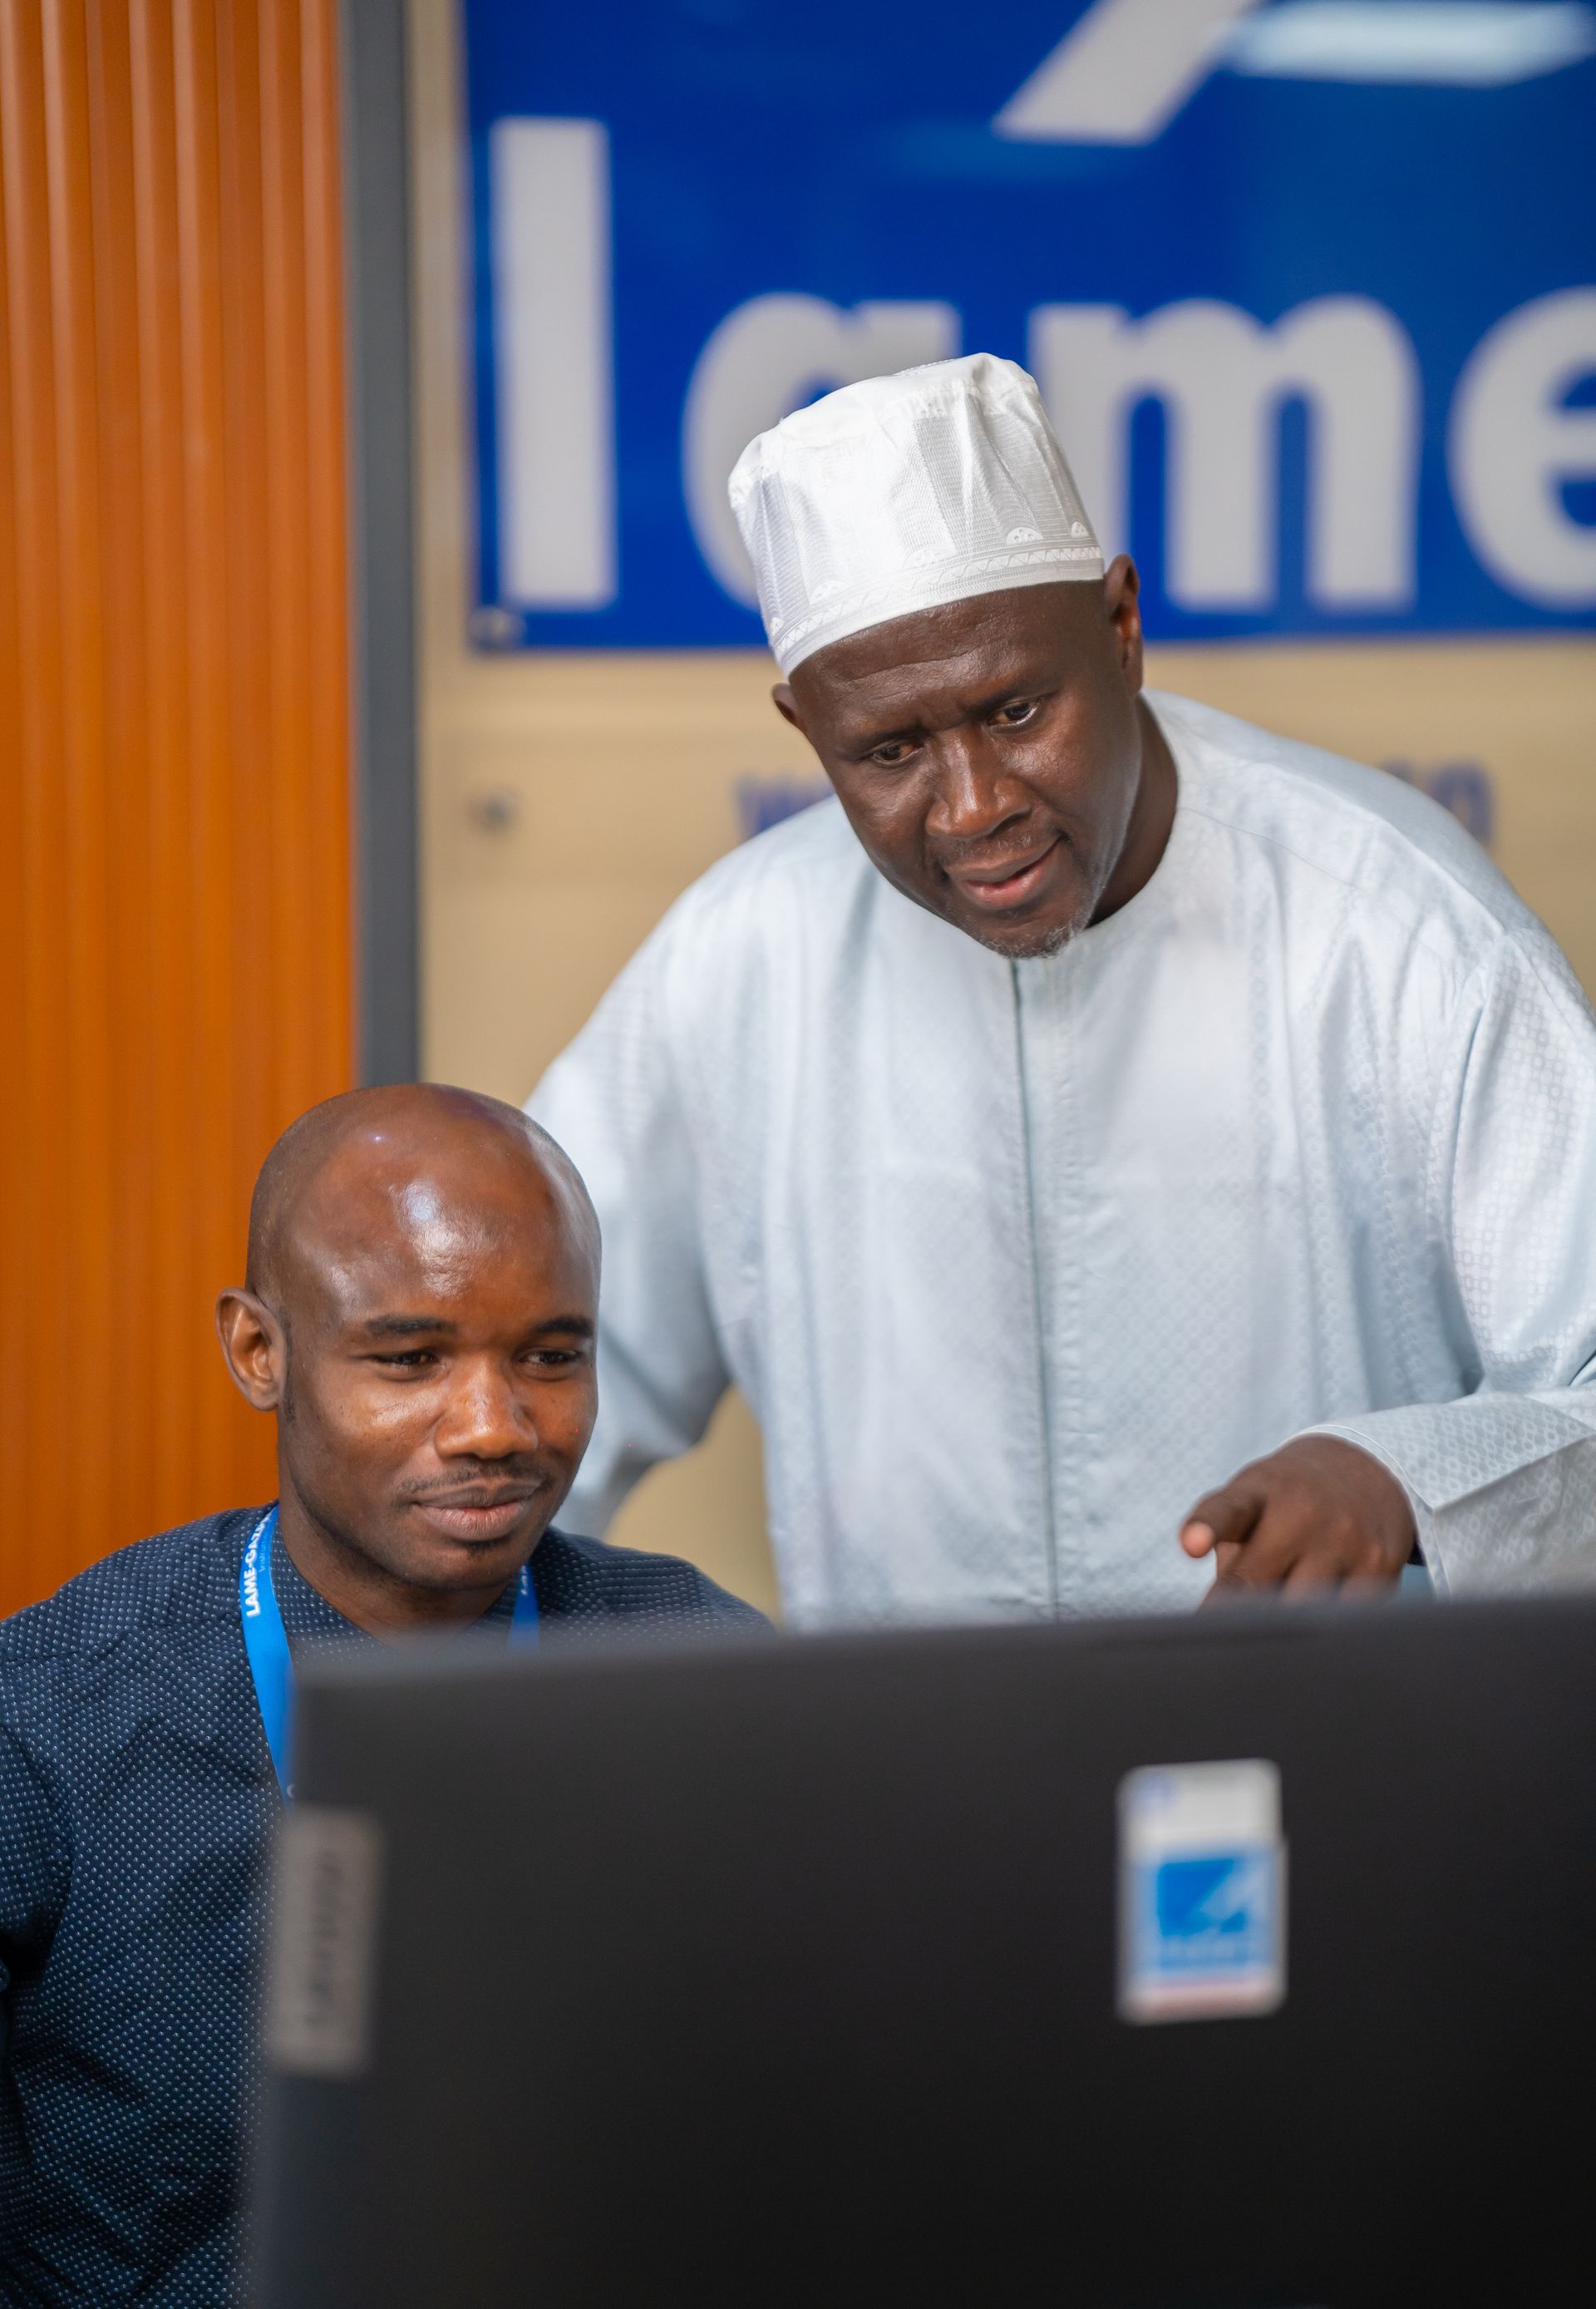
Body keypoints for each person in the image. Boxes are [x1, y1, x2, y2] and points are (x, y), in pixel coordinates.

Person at [530, 352, 1596, 1625]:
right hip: (904, 1746)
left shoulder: (1401, 929)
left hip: (1328, 1741)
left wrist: (1408, 1481)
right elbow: (535, 1369)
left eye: (1017, 710)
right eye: (890, 749)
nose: (971, 806)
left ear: (1123, 628)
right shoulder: (746, 958)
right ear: (806, 730)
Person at [0, 1086, 762, 2306]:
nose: (494, 1427)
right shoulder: (49, 1721)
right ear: (260, 1352)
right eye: (410, 1359)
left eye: (551, 1356)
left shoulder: (704, 1676)